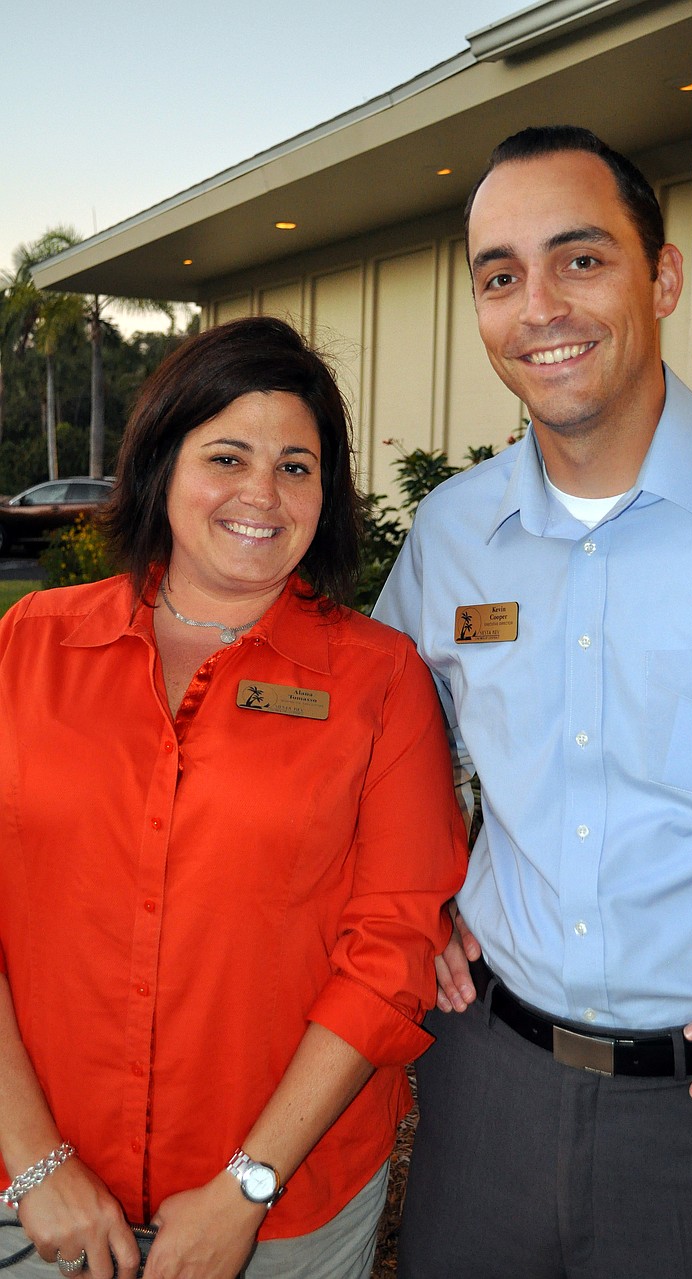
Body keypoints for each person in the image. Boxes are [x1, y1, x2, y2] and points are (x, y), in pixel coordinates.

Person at [373, 125, 692, 1279]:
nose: (538, 305)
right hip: (485, 1082)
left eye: (579, 259)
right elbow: (373, 742)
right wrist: (414, 902)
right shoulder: (453, 536)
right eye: (499, 275)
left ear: (662, 277)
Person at [0, 316, 467, 1279]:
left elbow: (392, 951)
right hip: (31, 1198)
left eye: (297, 465)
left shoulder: (382, 682)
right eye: (228, 454)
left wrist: (246, 1186)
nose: (262, 493)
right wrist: (35, 1162)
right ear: (163, 462)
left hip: (284, 1213)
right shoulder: (27, 647)